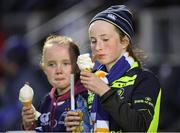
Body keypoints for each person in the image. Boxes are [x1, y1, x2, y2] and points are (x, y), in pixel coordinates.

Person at [65, 5, 162, 132]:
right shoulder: (91, 79)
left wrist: (104, 91)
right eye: (93, 41)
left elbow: (139, 127)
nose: (98, 47)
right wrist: (76, 124)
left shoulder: (145, 79)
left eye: (105, 39)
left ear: (124, 41)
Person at [21, 35, 88, 132]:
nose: (58, 71)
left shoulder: (86, 98)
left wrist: (84, 127)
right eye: (51, 64)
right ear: (44, 68)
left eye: (65, 63)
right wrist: (28, 126)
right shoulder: (45, 102)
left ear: (77, 66)